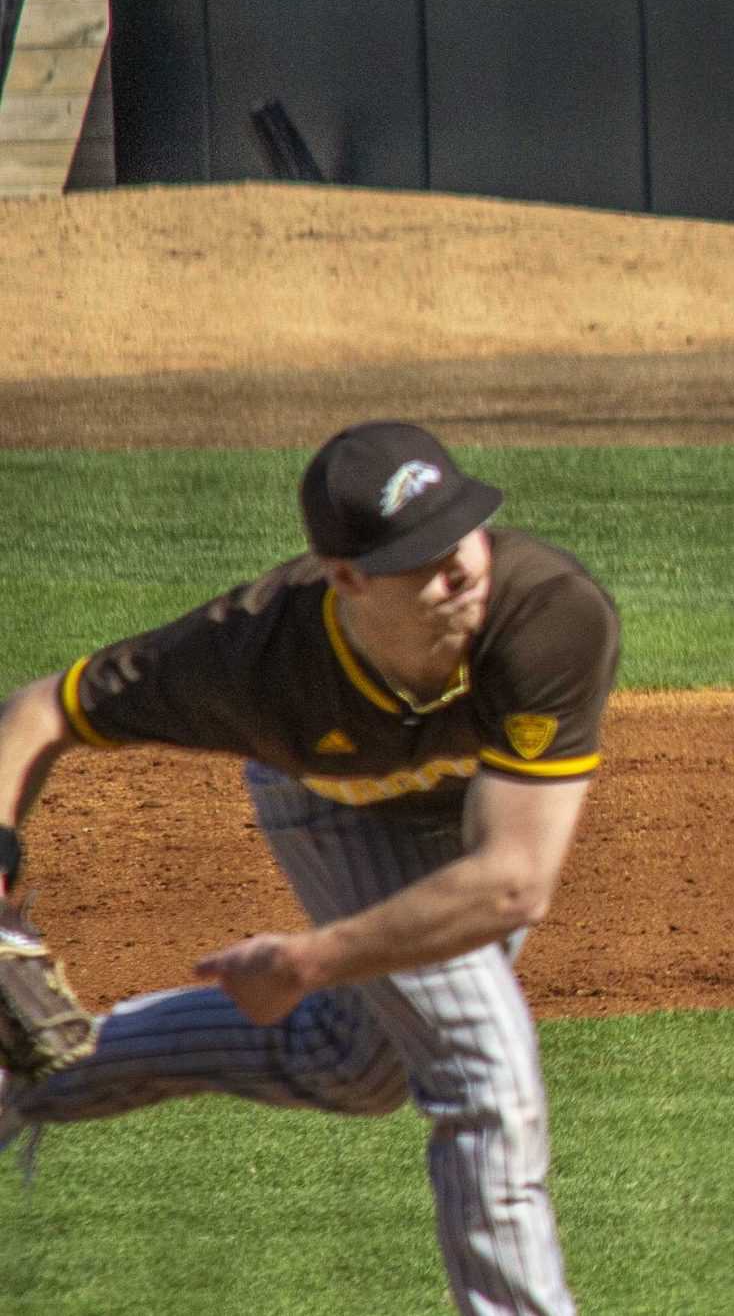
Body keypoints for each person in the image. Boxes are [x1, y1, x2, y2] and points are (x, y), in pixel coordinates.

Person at [0, 424, 617, 1316]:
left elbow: (513, 879)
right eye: (422, 558)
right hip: (335, 808)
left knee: (356, 1062)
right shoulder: (250, 657)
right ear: (348, 576)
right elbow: (38, 713)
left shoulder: (550, 613)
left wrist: (310, 961)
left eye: (465, 533)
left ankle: (31, 1079)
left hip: (474, 836)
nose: (461, 569)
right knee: (484, 1073)